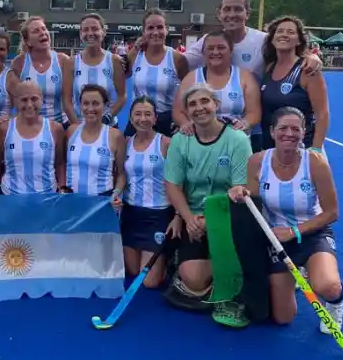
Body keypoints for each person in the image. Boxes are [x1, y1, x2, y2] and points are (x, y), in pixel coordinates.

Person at [228, 107, 343, 332]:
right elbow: (253, 200)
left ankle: (336, 303)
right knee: (283, 317)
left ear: (304, 132)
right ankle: (300, 272)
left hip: (311, 233)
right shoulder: (257, 162)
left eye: (295, 129)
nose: (289, 134)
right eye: (283, 128)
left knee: (328, 286)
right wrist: (240, 192)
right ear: (272, 131)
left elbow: (332, 213)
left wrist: (295, 231)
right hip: (276, 241)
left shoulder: (316, 163)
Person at [183, 0, 322, 151]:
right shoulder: (210, 40)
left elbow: (288, 49)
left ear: (247, 13)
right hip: (214, 125)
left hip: (253, 126)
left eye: (238, 9)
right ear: (219, 13)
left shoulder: (263, 41)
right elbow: (182, 60)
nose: (232, 14)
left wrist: (311, 56)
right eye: (227, 9)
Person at [163, 85, 252, 326]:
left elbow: (240, 188)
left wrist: (210, 220)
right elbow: (173, 185)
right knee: (193, 278)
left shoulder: (238, 140)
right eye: (192, 104)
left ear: (216, 105)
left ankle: (229, 273)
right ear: (186, 111)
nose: (199, 108)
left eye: (205, 101)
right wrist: (188, 218)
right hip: (193, 217)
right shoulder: (180, 141)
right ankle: (212, 273)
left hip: (227, 215)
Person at [120, 96, 175, 289]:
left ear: (155, 118)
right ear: (130, 118)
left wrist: (177, 215)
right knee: (132, 271)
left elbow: (178, 182)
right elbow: (120, 175)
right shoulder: (125, 143)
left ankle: (169, 260)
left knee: (150, 282)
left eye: (147, 114)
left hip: (158, 215)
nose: (142, 118)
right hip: (131, 214)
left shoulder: (166, 143)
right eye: (137, 114)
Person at [259, 16, 330, 152]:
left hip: (302, 149)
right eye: (280, 31)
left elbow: (322, 114)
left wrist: (316, 149)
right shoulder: (268, 68)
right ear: (272, 38)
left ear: (299, 40)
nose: (284, 34)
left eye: (290, 32)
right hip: (271, 149)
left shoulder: (307, 70)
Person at [173, 30, 261, 134]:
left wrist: (244, 123)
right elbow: (178, 112)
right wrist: (185, 124)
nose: (215, 52)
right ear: (203, 52)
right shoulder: (191, 78)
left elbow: (254, 113)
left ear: (231, 50)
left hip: (234, 135)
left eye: (221, 47)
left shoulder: (245, 77)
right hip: (200, 136)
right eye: (210, 48)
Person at [0, 82, 66, 195]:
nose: (29, 105)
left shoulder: (55, 129)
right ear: (16, 102)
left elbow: (60, 163)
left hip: (47, 196)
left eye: (34, 99)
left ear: (41, 100)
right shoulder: (4, 129)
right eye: (24, 100)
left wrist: (62, 187)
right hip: (11, 196)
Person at [125, 8, 190, 137]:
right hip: (139, 119)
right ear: (143, 31)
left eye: (160, 27)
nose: (155, 32)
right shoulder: (135, 55)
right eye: (150, 28)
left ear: (167, 29)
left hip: (166, 121)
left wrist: (183, 119)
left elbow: (189, 92)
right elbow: (122, 75)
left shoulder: (177, 59)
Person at [64, 14, 126, 126]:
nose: (90, 33)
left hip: (107, 125)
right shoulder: (71, 63)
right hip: (80, 125)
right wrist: (77, 127)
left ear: (103, 32)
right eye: (85, 30)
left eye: (95, 29)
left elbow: (122, 97)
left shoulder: (114, 61)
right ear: (80, 34)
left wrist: (106, 118)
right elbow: (67, 101)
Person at [11, 16, 73, 128]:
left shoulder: (63, 60)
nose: (42, 33)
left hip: (60, 126)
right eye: (36, 31)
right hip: (30, 126)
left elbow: (69, 99)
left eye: (44, 29)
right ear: (28, 41)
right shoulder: (19, 63)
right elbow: (15, 100)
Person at [64, 84, 126, 196]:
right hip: (71, 201)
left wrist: (116, 194)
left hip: (101, 201)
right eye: (86, 103)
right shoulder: (71, 131)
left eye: (95, 103)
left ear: (105, 106)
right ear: (80, 106)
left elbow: (122, 174)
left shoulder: (115, 136)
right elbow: (62, 166)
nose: (90, 108)